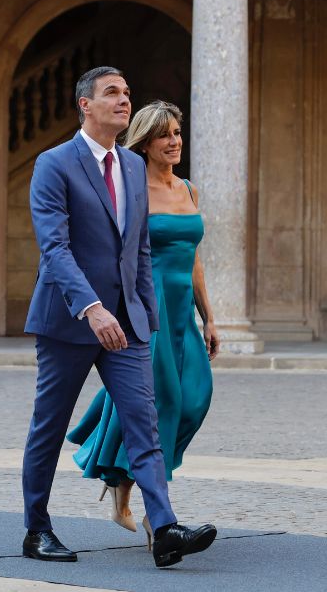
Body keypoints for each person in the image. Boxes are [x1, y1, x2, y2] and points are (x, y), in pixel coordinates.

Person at [21, 66, 217, 569]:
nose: (123, 100)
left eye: (127, 93)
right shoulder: (53, 164)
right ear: (85, 105)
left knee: (145, 424)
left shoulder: (131, 167)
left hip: (128, 323)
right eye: (112, 93)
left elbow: (139, 252)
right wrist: (91, 307)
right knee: (49, 424)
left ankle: (164, 528)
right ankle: (37, 530)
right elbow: (55, 248)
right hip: (70, 320)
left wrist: (145, 317)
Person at [66, 100, 218, 539]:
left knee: (194, 399)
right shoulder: (131, 188)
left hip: (182, 313)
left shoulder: (188, 189)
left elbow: (195, 261)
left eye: (177, 133)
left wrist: (209, 318)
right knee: (160, 402)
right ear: (146, 144)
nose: (174, 142)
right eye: (164, 135)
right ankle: (158, 516)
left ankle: (119, 477)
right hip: (147, 310)